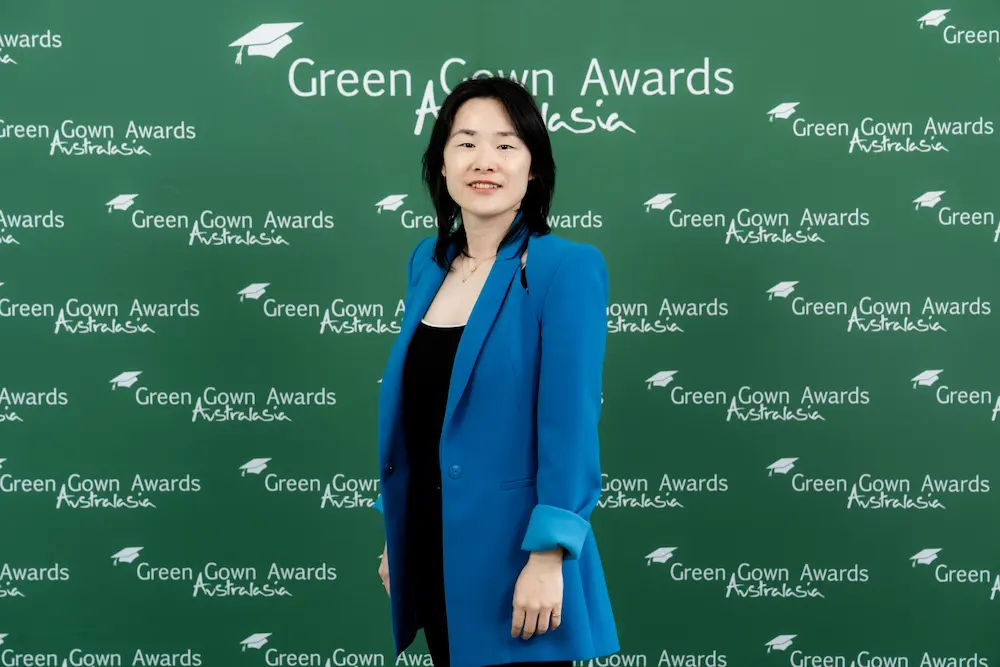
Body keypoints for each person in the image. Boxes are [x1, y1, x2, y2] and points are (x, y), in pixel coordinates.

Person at [371, 75, 619, 667]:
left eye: (506, 144)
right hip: (431, 549)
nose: (484, 160)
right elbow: (423, 415)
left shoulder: (566, 267)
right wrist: (396, 533)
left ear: (533, 168)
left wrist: (549, 556)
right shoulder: (427, 263)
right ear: (442, 163)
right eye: (466, 142)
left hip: (518, 559)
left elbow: (569, 424)